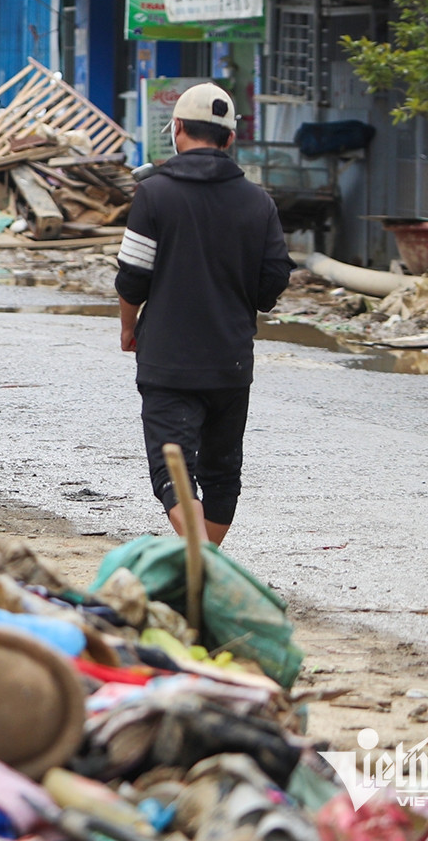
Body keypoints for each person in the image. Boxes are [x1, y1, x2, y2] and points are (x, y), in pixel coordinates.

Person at [116, 83, 291, 547]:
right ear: (229, 140)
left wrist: (129, 327)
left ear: (176, 130)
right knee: (221, 474)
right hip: (230, 362)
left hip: (168, 360)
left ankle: (199, 564)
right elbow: (274, 279)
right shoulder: (259, 202)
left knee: (172, 470)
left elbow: (132, 275)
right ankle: (206, 565)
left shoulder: (154, 195)